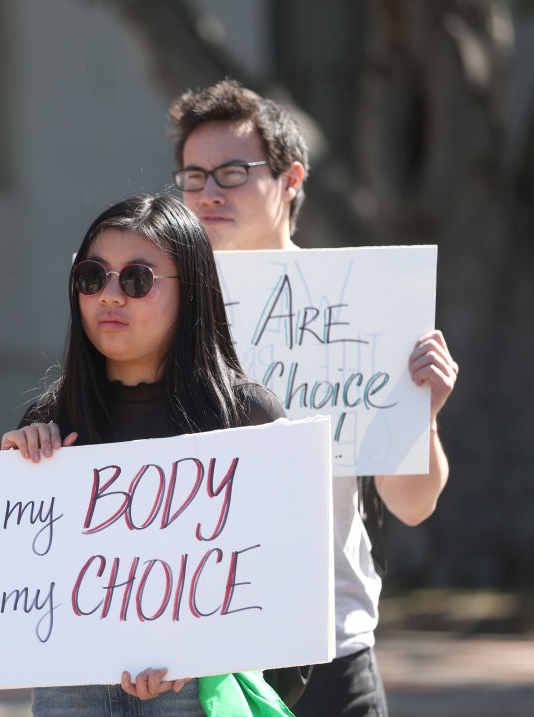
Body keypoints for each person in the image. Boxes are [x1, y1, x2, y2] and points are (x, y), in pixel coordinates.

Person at [168, 78, 459, 717]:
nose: (209, 193)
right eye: (193, 176)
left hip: (329, 647)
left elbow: (411, 506)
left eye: (232, 173)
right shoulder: (156, 309)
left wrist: (424, 415)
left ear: (291, 179)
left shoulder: (360, 307)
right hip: (193, 650)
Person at [1, 194, 293, 717]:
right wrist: (13, 476)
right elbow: (21, 591)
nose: (110, 296)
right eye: (92, 276)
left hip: (202, 694)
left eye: (137, 279)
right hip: (72, 685)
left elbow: (283, 589)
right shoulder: (48, 423)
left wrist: (207, 653)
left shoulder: (248, 417)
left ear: (193, 290)